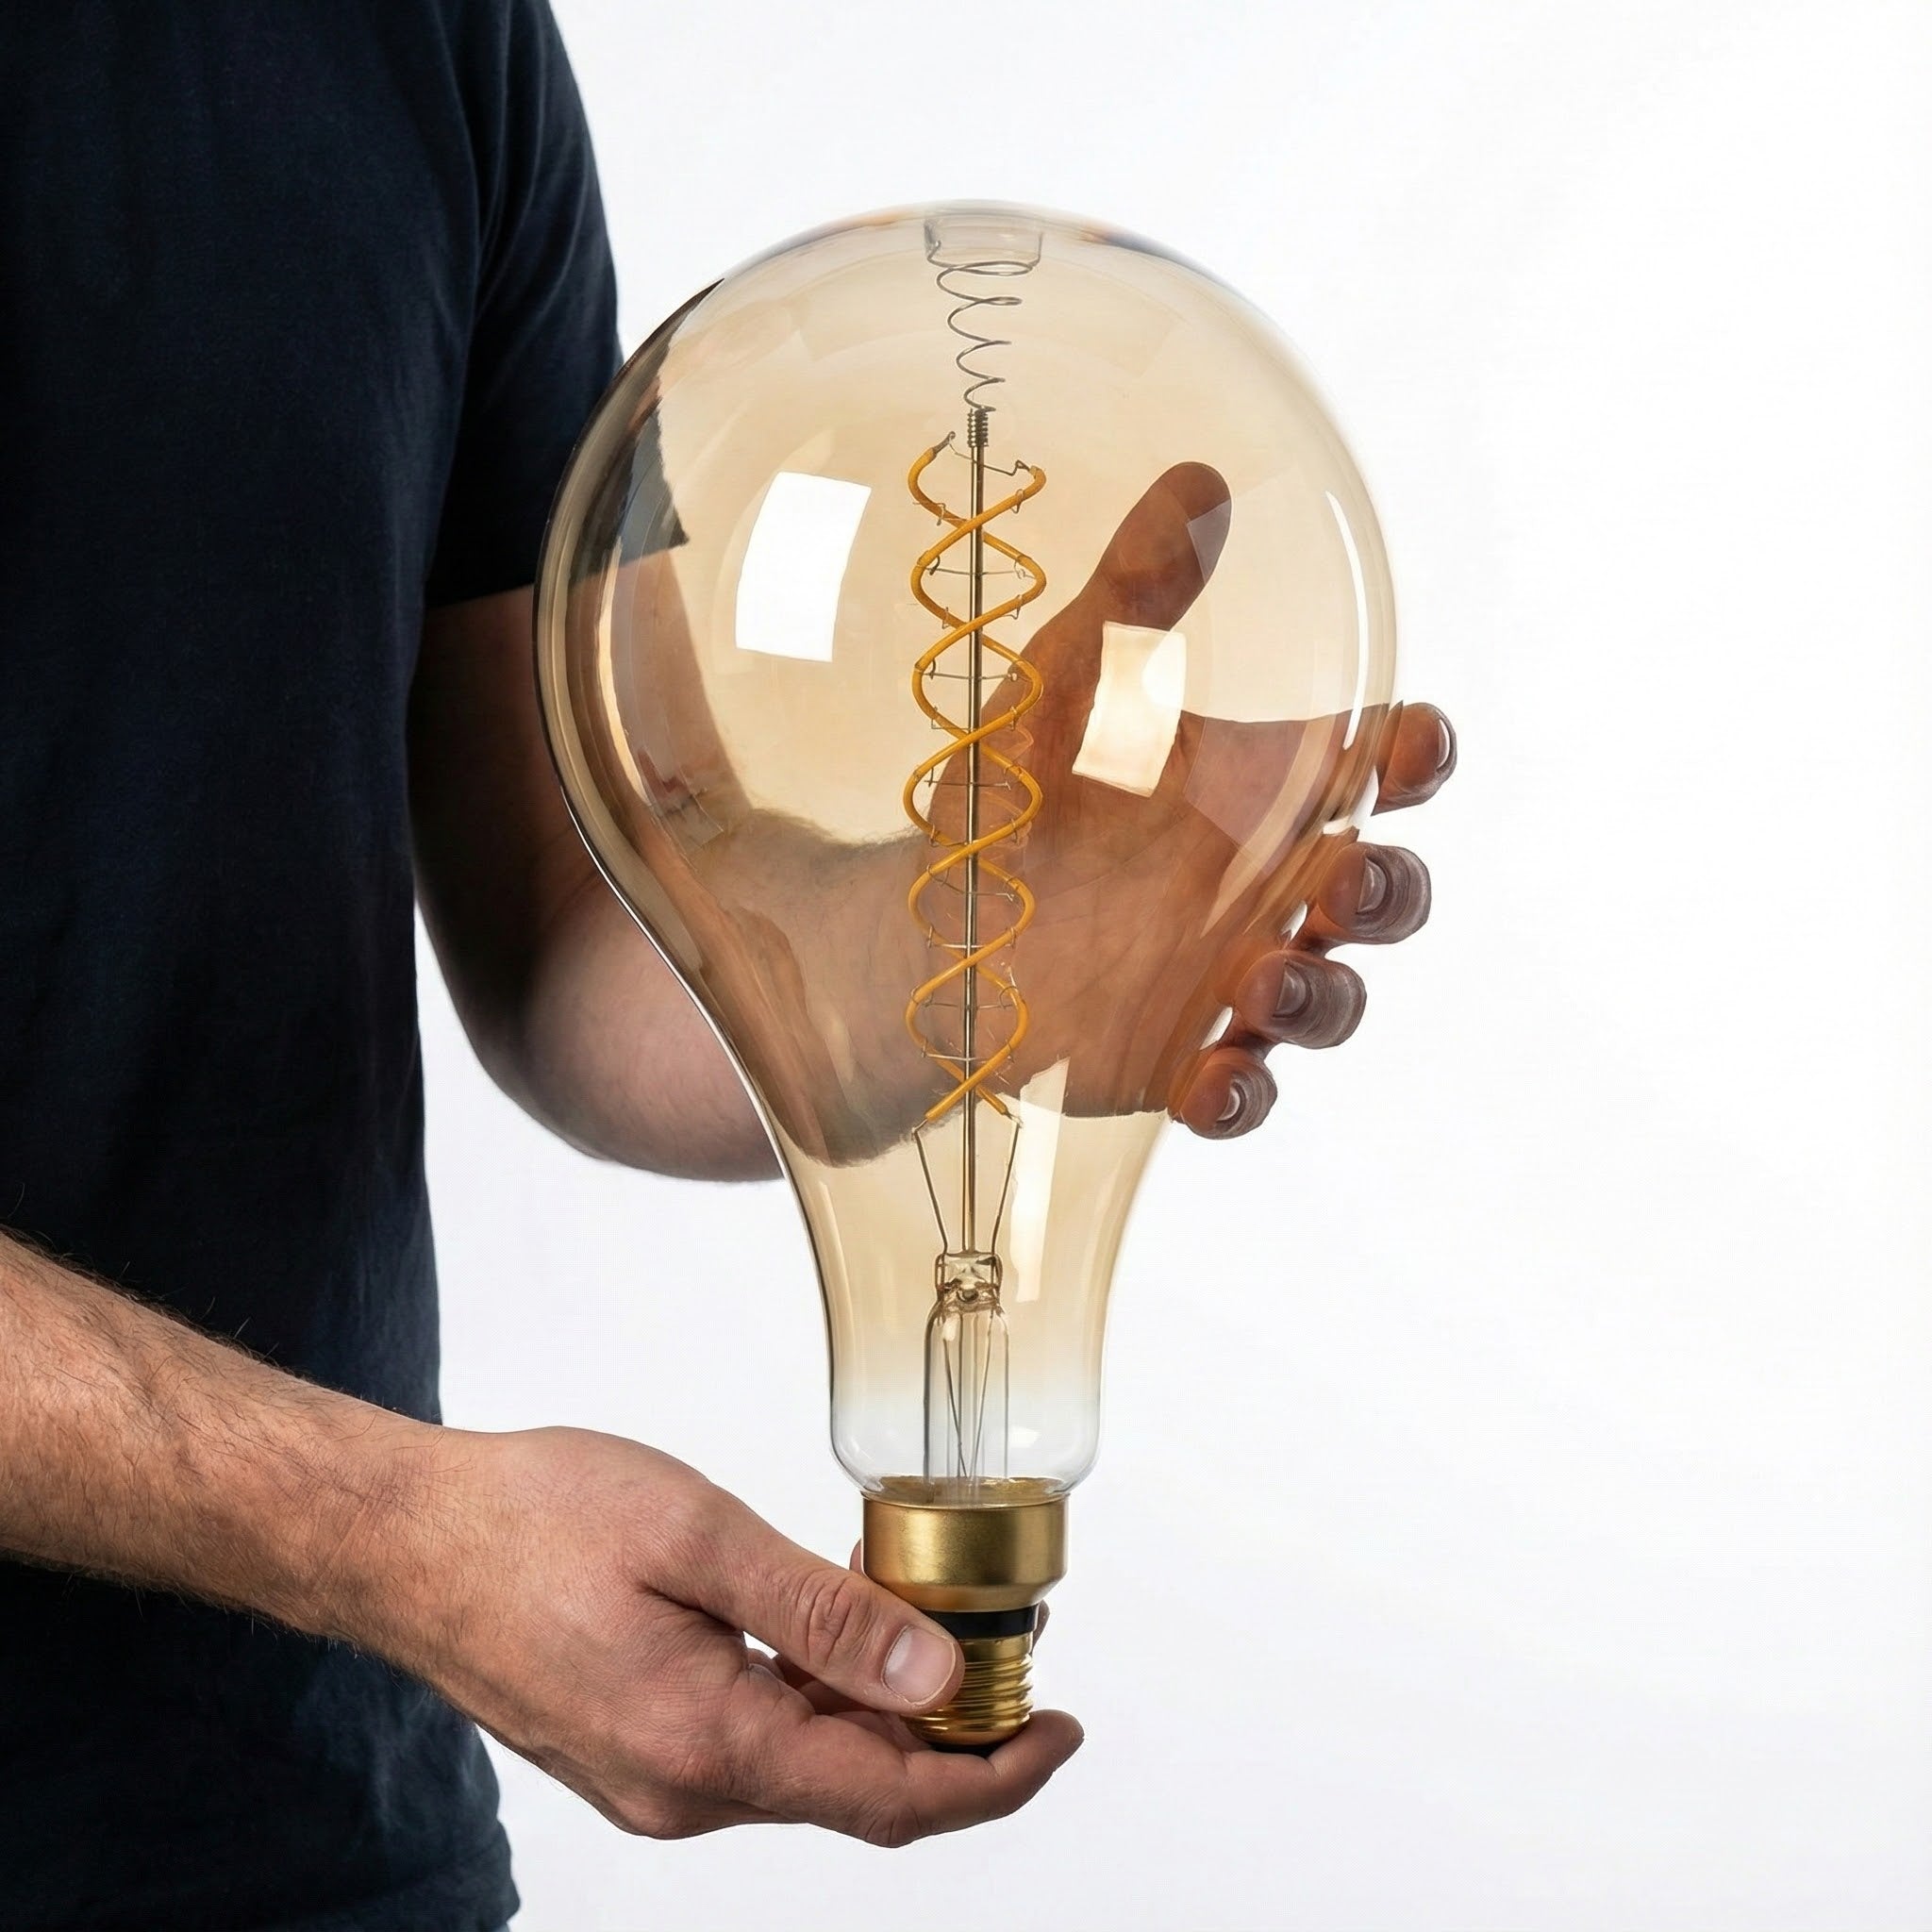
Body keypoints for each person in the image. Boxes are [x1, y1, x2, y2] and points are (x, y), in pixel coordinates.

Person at [0, 5, 1455, 1928]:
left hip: (304, 1840)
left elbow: (574, 920)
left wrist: (967, 948)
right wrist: (376, 1533)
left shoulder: (423, 39)